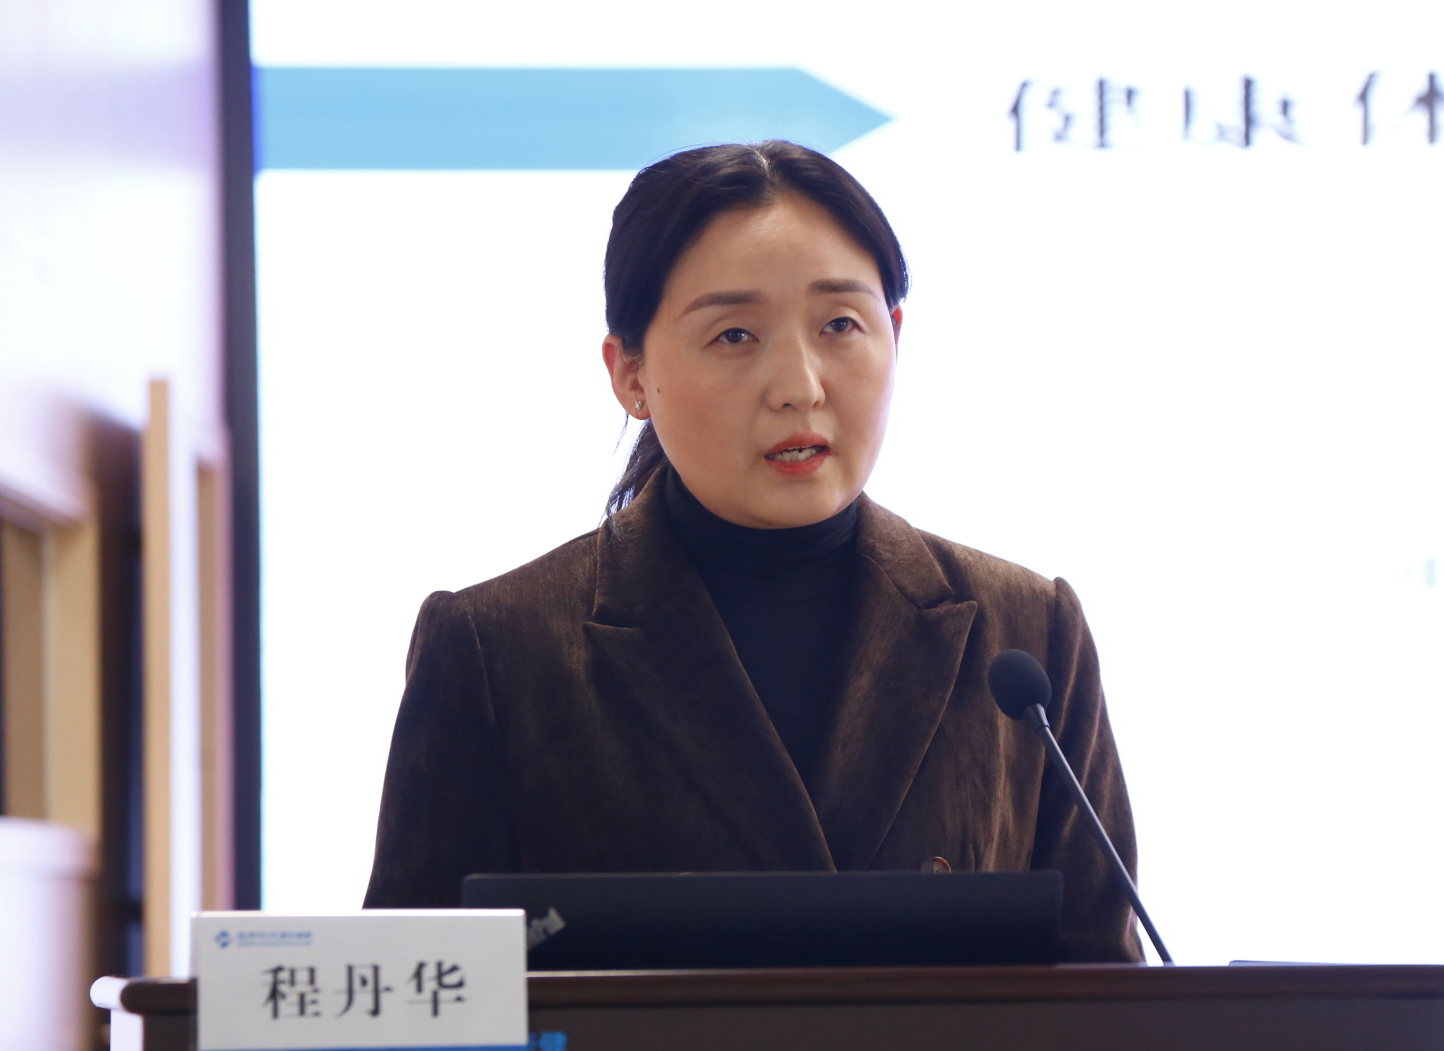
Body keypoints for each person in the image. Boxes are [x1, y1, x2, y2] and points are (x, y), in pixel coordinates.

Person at [361, 141, 1141, 961]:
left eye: (840, 325)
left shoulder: (1027, 633)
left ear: (895, 335)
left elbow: (1106, 991)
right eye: (734, 334)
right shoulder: (498, 648)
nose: (800, 386)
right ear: (630, 373)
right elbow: (407, 999)